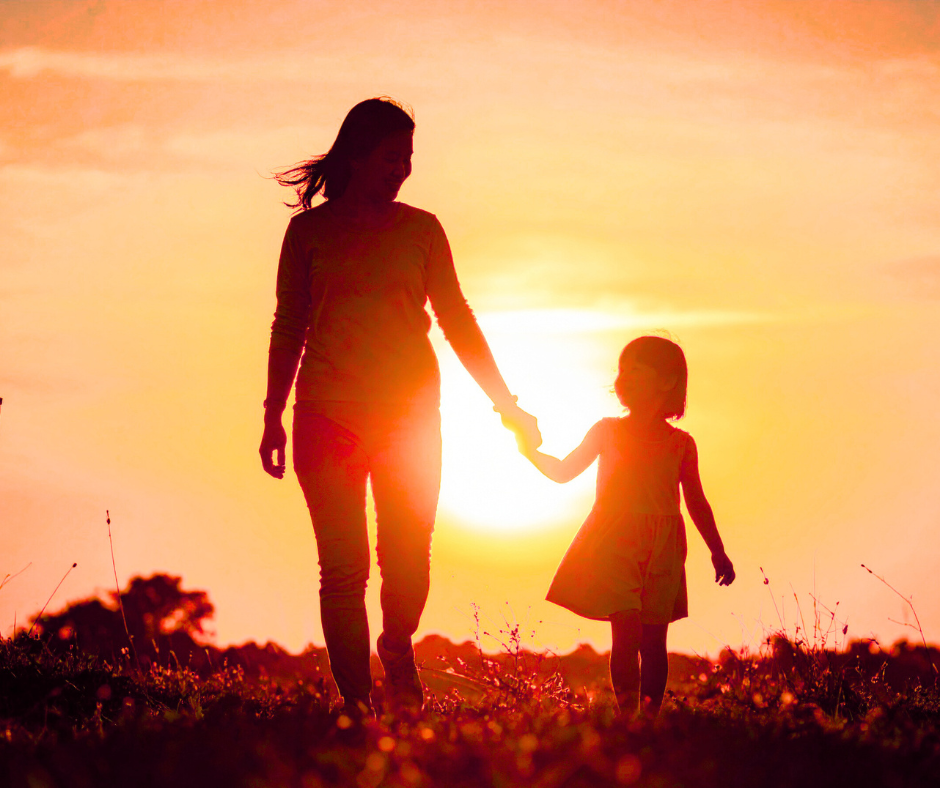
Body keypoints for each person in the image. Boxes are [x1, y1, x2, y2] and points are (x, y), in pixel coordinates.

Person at [259, 97, 540, 717]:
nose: (403, 169)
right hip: (326, 414)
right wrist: (272, 414)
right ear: (357, 156)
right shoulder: (309, 232)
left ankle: (395, 643)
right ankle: (359, 706)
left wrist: (507, 406)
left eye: (409, 158)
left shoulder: (422, 229)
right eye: (392, 157)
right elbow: (288, 326)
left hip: (410, 418)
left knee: (408, 561)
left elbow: (458, 321)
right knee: (343, 568)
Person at [517, 335, 734, 717]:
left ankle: (648, 719)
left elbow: (697, 502)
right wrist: (528, 450)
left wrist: (718, 552)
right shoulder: (606, 431)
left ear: (667, 382)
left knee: (653, 641)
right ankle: (628, 717)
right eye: (621, 370)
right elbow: (565, 472)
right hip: (613, 540)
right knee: (626, 632)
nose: (623, 377)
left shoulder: (681, 444)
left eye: (636, 369)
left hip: (663, 547)